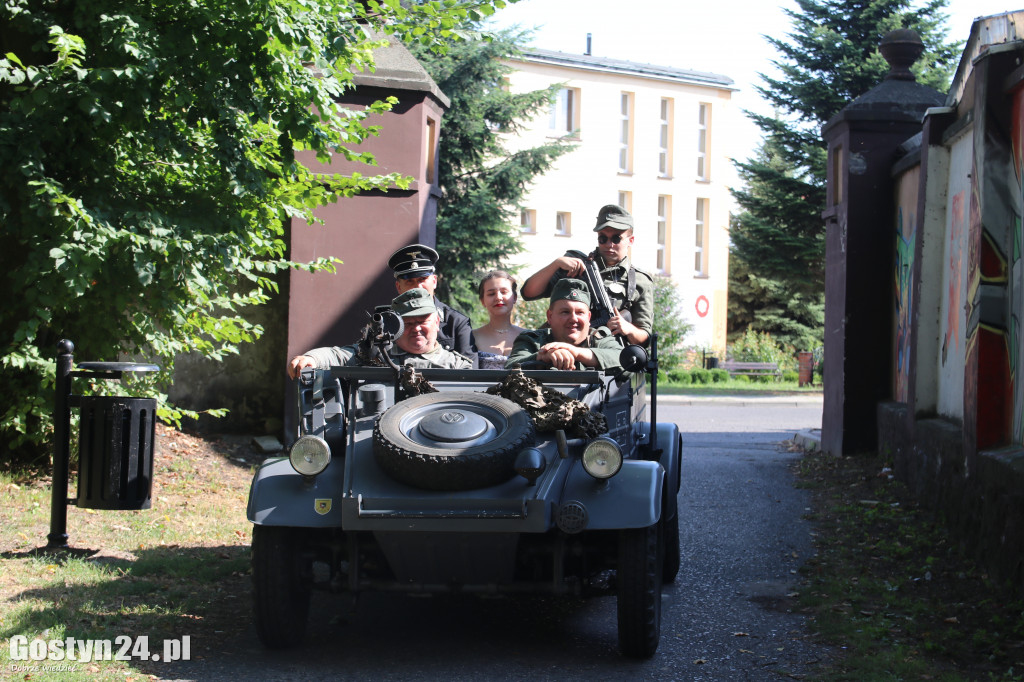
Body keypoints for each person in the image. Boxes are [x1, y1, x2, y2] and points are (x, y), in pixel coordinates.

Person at [520, 204, 653, 346]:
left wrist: (628, 329)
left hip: (607, 356)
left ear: (630, 240)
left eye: (616, 239)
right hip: (561, 350)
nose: (609, 244)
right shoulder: (577, 265)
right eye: (603, 238)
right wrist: (556, 264)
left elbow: (645, 337)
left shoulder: (640, 281)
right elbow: (528, 293)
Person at [287, 289, 472, 378]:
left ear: (437, 323)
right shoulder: (377, 355)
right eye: (408, 323)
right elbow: (338, 355)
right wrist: (310, 359)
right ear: (395, 326)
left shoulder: (458, 366)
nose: (416, 328)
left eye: (423, 321)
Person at [505, 278, 623, 371]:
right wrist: (541, 357)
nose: (573, 319)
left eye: (580, 313)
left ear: (588, 317)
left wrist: (576, 352)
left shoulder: (600, 338)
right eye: (565, 312)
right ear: (550, 316)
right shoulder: (531, 340)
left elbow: (623, 360)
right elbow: (510, 367)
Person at [387, 243, 475, 359]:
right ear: (398, 287)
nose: (418, 287)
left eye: (423, 279)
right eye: (409, 281)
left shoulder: (456, 323)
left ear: (434, 281)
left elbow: (469, 372)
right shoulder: (386, 322)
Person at [471, 270, 527, 370]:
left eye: (504, 292)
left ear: (514, 298)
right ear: (483, 301)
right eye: (491, 294)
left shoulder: (529, 337)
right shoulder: (471, 338)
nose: (498, 297)